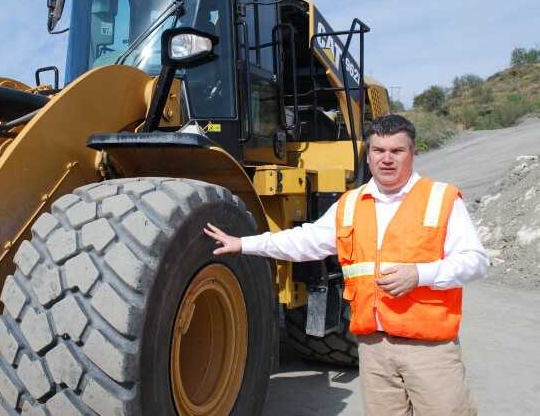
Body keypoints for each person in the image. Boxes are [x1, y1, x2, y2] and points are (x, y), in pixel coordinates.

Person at [205, 114, 488, 416]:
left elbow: (476, 261)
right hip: (373, 348)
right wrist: (244, 244)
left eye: (397, 151)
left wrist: (421, 274)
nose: (387, 159)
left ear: (413, 153)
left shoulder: (440, 198)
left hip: (428, 349)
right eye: (378, 151)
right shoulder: (350, 203)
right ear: (368, 157)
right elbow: (305, 241)